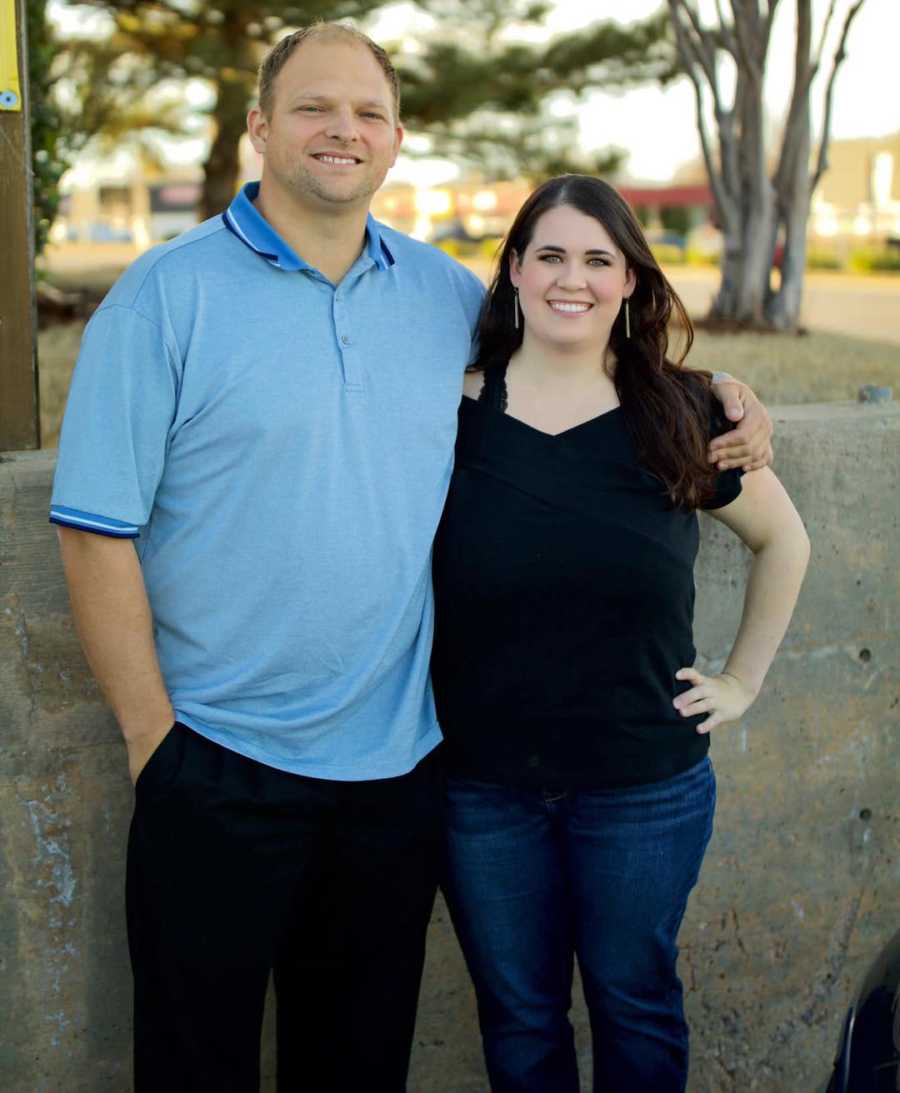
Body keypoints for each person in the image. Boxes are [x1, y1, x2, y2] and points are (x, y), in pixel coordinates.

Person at [50, 23, 774, 1093]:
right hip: (216, 762)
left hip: (398, 776)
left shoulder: (445, 298)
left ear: (395, 142)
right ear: (260, 126)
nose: (342, 129)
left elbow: (578, 333)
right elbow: (93, 526)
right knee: (194, 1062)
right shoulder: (165, 295)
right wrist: (155, 739)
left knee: (357, 1068)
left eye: (368, 113)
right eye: (312, 107)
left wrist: (721, 395)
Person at [430, 175, 810, 1093]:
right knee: (519, 1016)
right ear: (515, 269)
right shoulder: (447, 412)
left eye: (600, 259)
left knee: (633, 1000)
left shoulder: (681, 412)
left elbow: (783, 540)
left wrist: (743, 679)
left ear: (631, 280)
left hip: (645, 787)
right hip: (481, 789)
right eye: (551, 255)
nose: (574, 279)